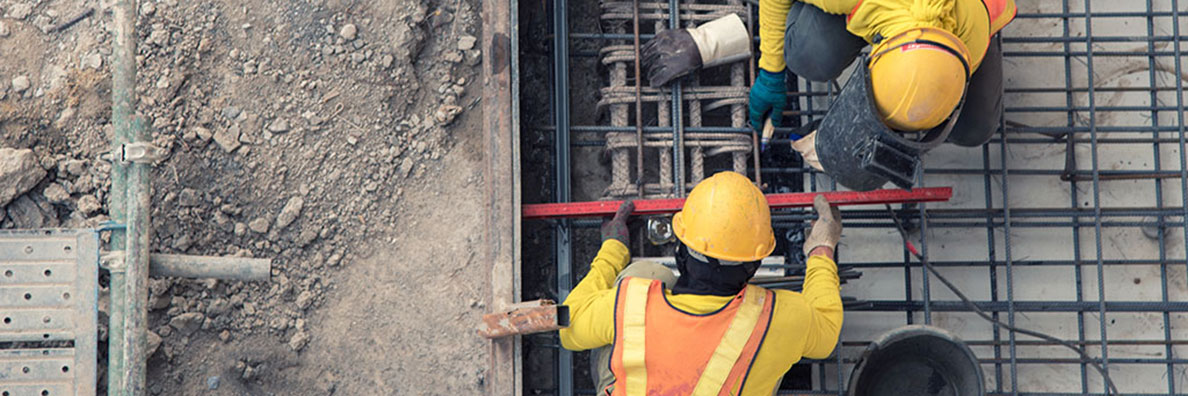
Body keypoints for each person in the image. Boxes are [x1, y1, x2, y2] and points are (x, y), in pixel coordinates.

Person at [560, 171, 844, 395]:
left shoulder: (631, 304)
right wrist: (821, 248)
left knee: (645, 273)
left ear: (680, 252)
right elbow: (827, 333)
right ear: (755, 265)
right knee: (771, 349)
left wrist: (613, 249)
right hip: (760, 343)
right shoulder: (780, 317)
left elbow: (569, 329)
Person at [748, 0, 1017, 147]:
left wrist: (866, 133)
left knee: (973, 128)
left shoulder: (972, 34)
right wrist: (771, 70)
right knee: (809, 55)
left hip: (967, 13)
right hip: (869, 8)